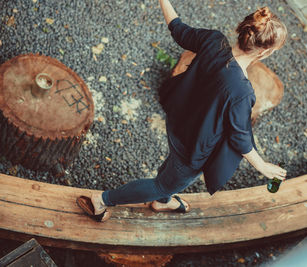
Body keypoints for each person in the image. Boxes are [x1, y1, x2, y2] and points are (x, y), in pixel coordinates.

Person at [77, 0, 288, 222]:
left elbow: (178, 29)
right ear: (265, 53)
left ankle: (163, 201)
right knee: (163, 184)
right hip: (194, 147)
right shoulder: (241, 92)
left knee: (171, 171)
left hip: (178, 121)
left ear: (243, 29)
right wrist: (262, 166)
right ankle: (101, 200)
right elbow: (240, 137)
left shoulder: (214, 40)